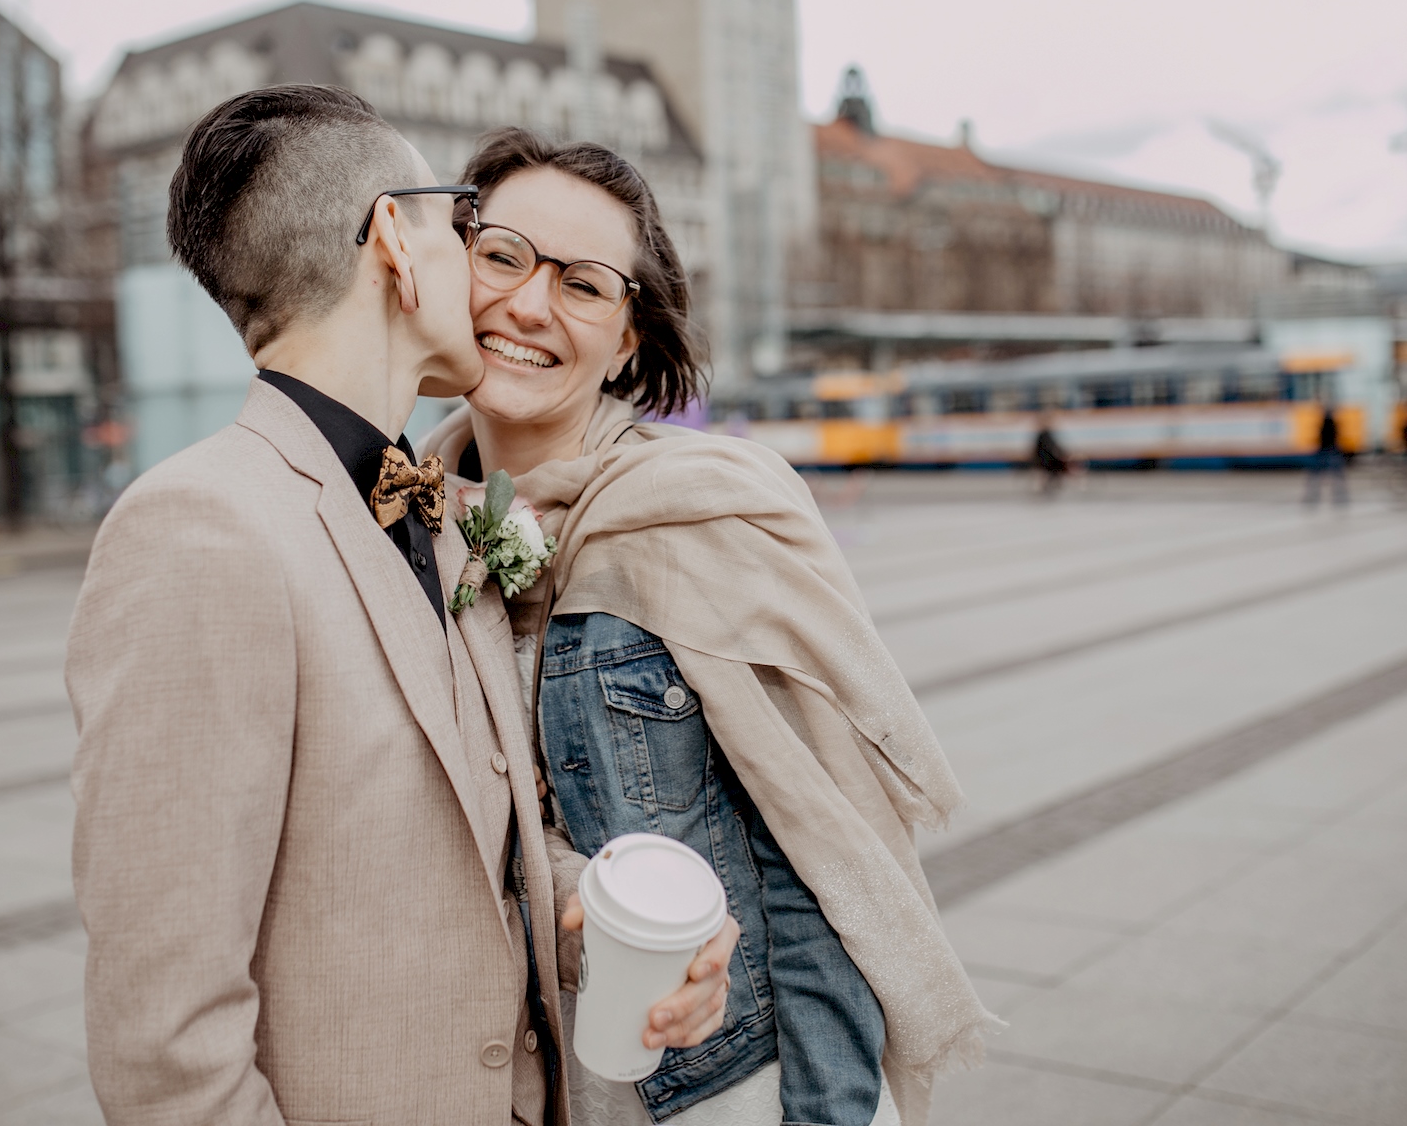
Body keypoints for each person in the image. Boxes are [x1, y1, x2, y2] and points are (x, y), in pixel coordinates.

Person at [65, 87, 735, 1126]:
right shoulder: (200, 528)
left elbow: (467, 833)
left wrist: (595, 913)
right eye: (461, 220)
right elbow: (166, 1040)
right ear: (394, 235)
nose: (482, 265)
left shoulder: (445, 513)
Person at [424, 129, 997, 1126]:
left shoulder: (706, 509)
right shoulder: (405, 521)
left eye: (586, 284)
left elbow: (824, 856)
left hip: (724, 1094)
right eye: (503, 255)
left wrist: (825, 1112)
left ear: (631, 338)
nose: (527, 304)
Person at [1303, 402, 1348, 506]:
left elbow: (1320, 437)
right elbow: (1336, 436)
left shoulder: (1324, 423)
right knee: (1338, 476)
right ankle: (1341, 497)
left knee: (1315, 476)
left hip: (1323, 450)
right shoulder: (1333, 423)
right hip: (1333, 450)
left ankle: (1312, 496)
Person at [1033, 416, 1070, 494]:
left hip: (1047, 459)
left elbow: (1054, 446)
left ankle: (1051, 484)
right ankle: (1049, 485)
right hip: (1046, 459)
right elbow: (1043, 449)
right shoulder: (1043, 435)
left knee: (1054, 471)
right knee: (1054, 470)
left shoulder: (1047, 434)